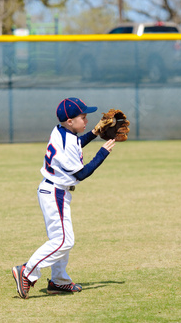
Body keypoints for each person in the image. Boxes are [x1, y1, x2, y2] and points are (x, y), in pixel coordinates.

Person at [12, 97, 116, 299]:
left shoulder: (61, 131)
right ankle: (27, 271)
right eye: (83, 117)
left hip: (54, 191)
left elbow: (76, 142)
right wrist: (102, 153)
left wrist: (94, 133)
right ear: (70, 121)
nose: (86, 120)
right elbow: (81, 174)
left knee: (60, 239)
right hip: (55, 193)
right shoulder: (67, 141)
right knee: (64, 241)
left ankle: (58, 281)